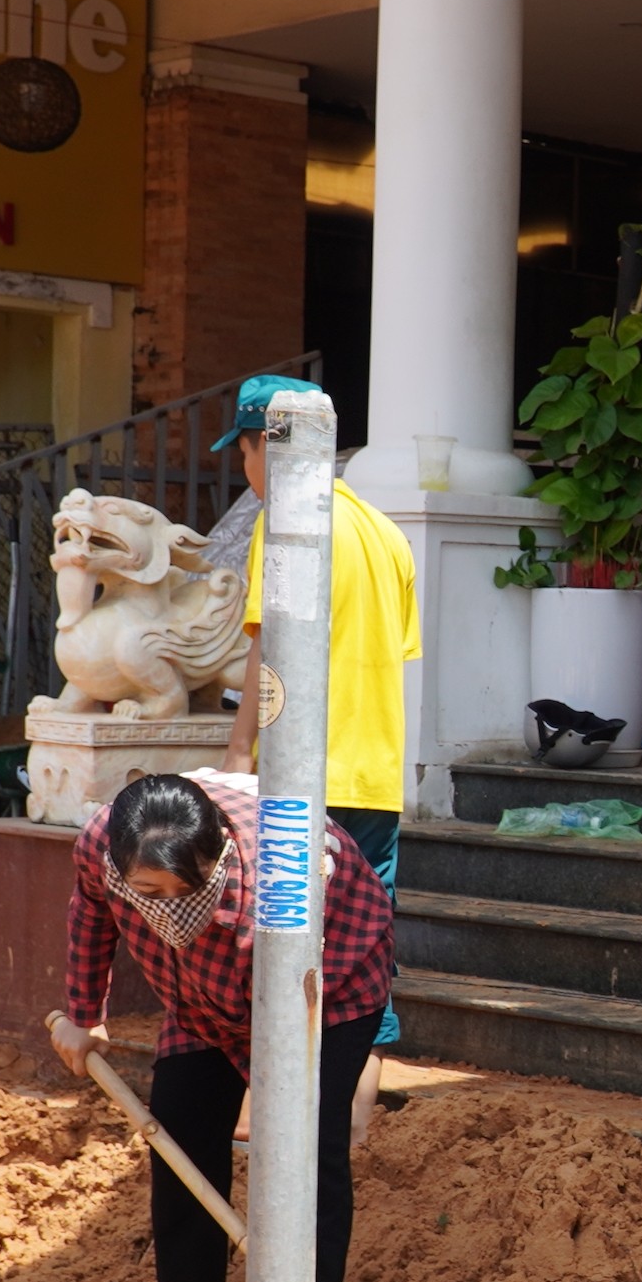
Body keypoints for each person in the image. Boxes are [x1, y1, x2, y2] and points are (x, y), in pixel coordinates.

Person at [47, 768, 393, 1282]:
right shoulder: (101, 845)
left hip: (325, 985)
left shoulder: (284, 873)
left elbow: (291, 995)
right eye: (144, 890)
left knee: (304, 1155)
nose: (161, 906)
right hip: (198, 1000)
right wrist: (83, 1013)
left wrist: (276, 1092)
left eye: (179, 890)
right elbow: (89, 911)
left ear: (215, 858)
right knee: (179, 1134)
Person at [219, 374, 421, 1140]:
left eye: (243, 452)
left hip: (303, 784)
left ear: (262, 445)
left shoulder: (287, 525)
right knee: (365, 958)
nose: (245, 471)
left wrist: (239, 751)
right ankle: (352, 1121)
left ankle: (262, 1116)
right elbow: (396, 654)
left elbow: (267, 647)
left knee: (277, 945)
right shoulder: (388, 534)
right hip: (375, 781)